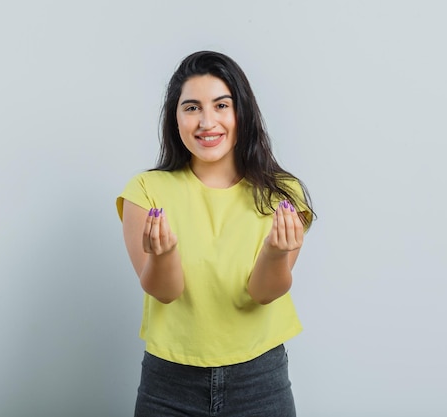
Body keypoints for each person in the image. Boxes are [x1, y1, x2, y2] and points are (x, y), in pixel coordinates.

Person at [116, 50, 315, 417]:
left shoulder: (283, 194)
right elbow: (165, 291)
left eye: (221, 105)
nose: (207, 122)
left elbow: (262, 293)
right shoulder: (145, 191)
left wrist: (274, 252)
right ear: (175, 119)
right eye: (191, 108)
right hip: (169, 383)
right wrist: (163, 254)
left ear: (242, 113)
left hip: (260, 379)